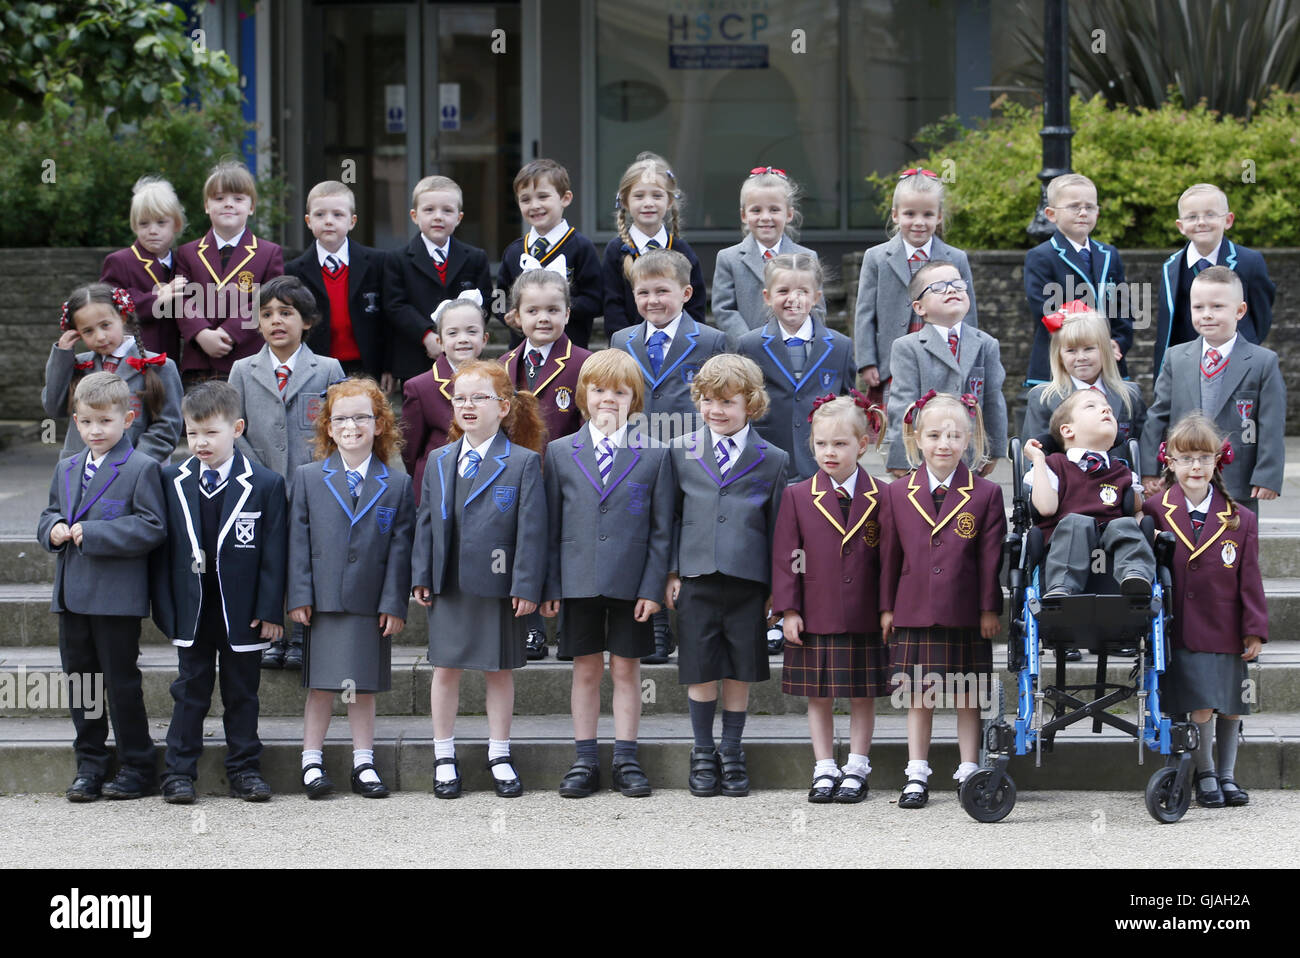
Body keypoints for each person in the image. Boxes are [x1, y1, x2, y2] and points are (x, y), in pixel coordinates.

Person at [411, 360, 548, 799]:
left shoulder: (524, 462)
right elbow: (426, 521)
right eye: (460, 397)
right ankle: (444, 753)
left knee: (499, 670)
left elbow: (532, 529)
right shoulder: (438, 460)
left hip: (499, 586)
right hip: (449, 583)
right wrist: (422, 574)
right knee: (445, 670)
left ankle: (500, 753)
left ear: (504, 406)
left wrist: (526, 584)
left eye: (479, 397)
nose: (467, 405)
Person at [541, 350, 673, 798]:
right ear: (583, 395)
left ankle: (626, 759)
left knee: (626, 670)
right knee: (584, 671)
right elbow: (550, 524)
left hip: (631, 584)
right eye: (598, 390)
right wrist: (551, 585)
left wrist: (653, 587)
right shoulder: (560, 453)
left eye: (619, 392)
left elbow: (661, 529)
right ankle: (583, 760)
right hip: (577, 582)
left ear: (634, 399)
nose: (608, 400)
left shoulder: (654, 455)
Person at [153, 382, 287, 804]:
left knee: (242, 693)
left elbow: (274, 554)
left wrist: (270, 611)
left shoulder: (265, 483)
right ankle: (178, 772)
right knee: (189, 690)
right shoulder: (171, 479)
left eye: (211, 432)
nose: (201, 442)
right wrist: (166, 610)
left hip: (242, 611)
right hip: (192, 608)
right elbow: (163, 552)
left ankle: (245, 769)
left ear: (237, 428)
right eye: (193, 433)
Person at [38, 373, 167, 802]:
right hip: (72, 596)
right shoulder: (67, 466)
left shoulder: (141, 468)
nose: (97, 431)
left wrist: (92, 534)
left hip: (116, 600)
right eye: (88, 422)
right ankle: (90, 764)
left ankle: (137, 764)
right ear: (76, 422)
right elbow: (50, 513)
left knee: (120, 683)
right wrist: (52, 529)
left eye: (106, 422)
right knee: (82, 683)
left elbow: (152, 528)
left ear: (128, 419)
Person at [666, 354, 789, 797]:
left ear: (750, 404)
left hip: (748, 582)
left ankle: (732, 751)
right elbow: (669, 519)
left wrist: (779, 588)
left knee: (739, 668)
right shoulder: (680, 451)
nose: (716, 409)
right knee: (700, 667)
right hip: (696, 576)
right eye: (707, 400)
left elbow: (778, 529)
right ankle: (702, 752)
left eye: (727, 401)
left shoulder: (772, 459)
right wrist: (671, 571)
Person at [288, 378, 415, 799]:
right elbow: (298, 540)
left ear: (379, 425)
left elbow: (400, 549)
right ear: (327, 426)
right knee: (323, 684)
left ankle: (364, 762)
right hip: (323, 600)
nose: (351, 425)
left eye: (362, 417)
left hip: (369, 601)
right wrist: (300, 595)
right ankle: (311, 760)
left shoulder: (396, 484)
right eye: (341, 418)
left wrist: (394, 602)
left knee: (361, 685)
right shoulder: (308, 477)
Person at [879, 392, 1005, 807]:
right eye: (934, 435)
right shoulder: (897, 492)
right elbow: (889, 557)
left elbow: (991, 559)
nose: (944, 444)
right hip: (914, 610)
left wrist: (989, 608)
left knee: (969, 694)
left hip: (966, 611)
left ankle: (969, 770)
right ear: (917, 438)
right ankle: (916, 774)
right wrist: (887, 607)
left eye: (954, 435)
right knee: (919, 695)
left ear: (969, 438)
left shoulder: (985, 493)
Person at [1142, 413, 1266, 808]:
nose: (1195, 467)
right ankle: (1206, 773)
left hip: (1226, 624)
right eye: (1186, 458)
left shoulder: (1240, 518)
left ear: (1218, 461)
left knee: (1230, 704)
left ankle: (1228, 775)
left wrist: (1254, 629)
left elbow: (1251, 578)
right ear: (1170, 462)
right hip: (1181, 625)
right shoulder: (1154, 510)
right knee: (1199, 703)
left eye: (1204, 458)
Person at [610, 248, 727, 664]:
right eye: (643, 293)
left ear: (686, 292)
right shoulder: (621, 340)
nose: (653, 301)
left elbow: (717, 395)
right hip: (639, 451)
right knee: (646, 529)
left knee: (686, 527)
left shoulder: (712, 340)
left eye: (663, 291)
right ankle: (655, 626)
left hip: (691, 449)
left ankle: (690, 622)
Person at [771, 394, 889, 804]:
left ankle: (857, 766)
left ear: (862, 444)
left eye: (840, 443)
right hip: (815, 613)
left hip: (865, 614)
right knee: (818, 694)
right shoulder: (798, 496)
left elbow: (891, 559)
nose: (830, 452)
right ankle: (823, 766)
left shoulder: (883, 495)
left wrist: (888, 607)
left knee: (862, 693)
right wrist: (788, 609)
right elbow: (786, 558)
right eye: (821, 444)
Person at [229, 275, 345, 669]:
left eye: (286, 312)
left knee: (305, 557)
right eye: (267, 314)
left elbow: (338, 427)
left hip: (312, 484)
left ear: (307, 321)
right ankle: (272, 631)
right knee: (268, 556)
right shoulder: (242, 370)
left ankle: (301, 635)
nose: (276, 321)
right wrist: (258, 474)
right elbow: (234, 426)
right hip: (258, 483)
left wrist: (320, 472)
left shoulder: (328, 369)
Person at [501, 268, 592, 659]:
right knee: (525, 550)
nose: (543, 318)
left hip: (569, 477)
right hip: (519, 477)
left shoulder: (586, 364)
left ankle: (572, 628)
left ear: (568, 313)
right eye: (533, 310)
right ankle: (531, 627)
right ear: (516, 317)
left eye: (553, 309)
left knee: (568, 548)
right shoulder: (503, 367)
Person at [1141, 266, 1285, 513]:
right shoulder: (1176, 357)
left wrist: (1267, 475)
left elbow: (1271, 423)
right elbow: (1158, 415)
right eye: (1199, 307)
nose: (1207, 314)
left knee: (1235, 541)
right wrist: (1148, 470)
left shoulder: (1263, 362)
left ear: (1239, 311)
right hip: (1184, 475)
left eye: (1217, 307)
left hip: (1239, 479)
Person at [854, 168, 977, 415]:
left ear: (939, 216)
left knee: (942, 417)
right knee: (900, 421)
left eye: (928, 214)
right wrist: (867, 361)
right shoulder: (877, 258)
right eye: (910, 214)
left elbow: (968, 312)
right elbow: (864, 313)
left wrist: (971, 358)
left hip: (945, 357)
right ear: (896, 215)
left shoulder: (956, 258)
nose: (919, 222)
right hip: (893, 361)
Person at [1024, 388, 1155, 597]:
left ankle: (1136, 575)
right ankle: (1061, 587)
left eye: (1109, 410)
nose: (1105, 410)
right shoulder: (1054, 466)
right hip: (1065, 547)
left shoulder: (1122, 472)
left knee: (1125, 524)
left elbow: (1137, 510)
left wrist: (1147, 527)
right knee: (1077, 522)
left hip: (1112, 553)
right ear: (1067, 430)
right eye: (1091, 406)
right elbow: (1047, 508)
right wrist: (1038, 460)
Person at [738, 252, 856, 483]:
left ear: (816, 297)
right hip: (766, 461)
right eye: (783, 291)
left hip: (821, 464)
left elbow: (848, 405)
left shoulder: (840, 346)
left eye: (803, 291)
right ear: (767, 297)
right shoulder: (749, 345)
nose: (794, 298)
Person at [884, 260, 1006, 477]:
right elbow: (902, 405)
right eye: (938, 287)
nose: (951, 289)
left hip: (969, 456)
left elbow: (993, 401)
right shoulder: (907, 347)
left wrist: (994, 451)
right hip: (924, 459)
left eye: (958, 284)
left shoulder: (986, 344)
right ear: (919, 307)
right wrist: (901, 457)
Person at [43, 283, 182, 463]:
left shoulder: (159, 366)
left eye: (105, 325)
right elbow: (54, 408)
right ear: (77, 333)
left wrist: (135, 463)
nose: (100, 336)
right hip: (81, 470)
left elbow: (167, 426)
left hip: (135, 472)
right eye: (88, 331)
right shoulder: (77, 365)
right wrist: (62, 356)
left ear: (123, 317)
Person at [173, 160, 285, 384]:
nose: (228, 204)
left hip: (248, 359)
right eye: (219, 198)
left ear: (251, 207)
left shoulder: (269, 252)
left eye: (238, 198)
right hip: (199, 361)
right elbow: (180, 298)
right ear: (206, 206)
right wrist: (201, 333)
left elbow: (268, 300)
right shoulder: (187, 253)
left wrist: (230, 332)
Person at [1153, 183, 1275, 378]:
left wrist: (1245, 351)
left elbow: (1262, 318)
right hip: (1186, 368)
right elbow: (1167, 325)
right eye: (1192, 217)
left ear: (1228, 220)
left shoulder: (1250, 261)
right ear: (1181, 226)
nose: (1201, 222)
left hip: (1235, 367)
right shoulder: (1171, 266)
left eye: (1210, 214)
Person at [384, 174, 492, 385]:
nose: (438, 217)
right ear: (414, 216)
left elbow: (485, 302)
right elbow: (395, 305)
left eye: (447, 210)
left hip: (463, 356)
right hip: (415, 357)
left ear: (459, 217)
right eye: (429, 210)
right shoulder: (397, 259)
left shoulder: (475, 258)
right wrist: (427, 336)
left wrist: (461, 334)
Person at [1023, 172, 1129, 385]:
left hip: (1107, 361)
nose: (1083, 212)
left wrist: (1118, 341)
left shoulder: (1110, 253)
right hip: (1061, 363)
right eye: (1074, 207)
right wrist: (1085, 342)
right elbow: (1045, 309)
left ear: (1097, 212)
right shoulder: (1041, 256)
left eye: (1090, 207)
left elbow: (1123, 306)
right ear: (1051, 214)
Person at [284, 180, 390, 385]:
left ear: (352, 221)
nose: (329, 221)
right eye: (320, 214)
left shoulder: (378, 263)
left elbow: (388, 319)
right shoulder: (293, 271)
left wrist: (388, 366)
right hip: (314, 365)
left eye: (338, 214)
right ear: (308, 221)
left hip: (366, 365)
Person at [495, 159, 602, 349]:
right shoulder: (513, 252)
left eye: (543, 197)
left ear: (565, 198)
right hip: (522, 351)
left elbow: (595, 300)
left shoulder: (581, 248)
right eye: (526, 199)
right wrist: (509, 315)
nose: (534, 205)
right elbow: (498, 298)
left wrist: (555, 308)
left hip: (569, 351)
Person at [712, 166, 823, 348]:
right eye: (756, 210)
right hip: (746, 354)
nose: (765, 217)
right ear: (743, 215)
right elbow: (724, 310)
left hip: (795, 349)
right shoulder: (728, 258)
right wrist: (749, 343)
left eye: (774, 210)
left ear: (789, 214)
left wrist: (794, 337)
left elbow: (817, 308)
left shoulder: (807, 258)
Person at [601, 151, 706, 337]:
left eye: (657, 196)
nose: (648, 203)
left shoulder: (683, 251)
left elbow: (695, 307)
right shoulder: (615, 251)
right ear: (625, 201)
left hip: (678, 348)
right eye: (639, 196)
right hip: (629, 352)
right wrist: (626, 346)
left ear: (669, 201)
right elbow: (612, 307)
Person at [1021, 304, 1146, 457]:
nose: (1081, 357)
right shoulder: (1043, 398)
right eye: (1071, 350)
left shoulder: (1130, 394)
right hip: (1065, 479)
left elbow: (1143, 444)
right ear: (1059, 356)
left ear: (1105, 350)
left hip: (1122, 479)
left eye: (1089, 349)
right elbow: (1034, 452)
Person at [400, 294, 489, 504]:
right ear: (439, 341)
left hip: (485, 482)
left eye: (472, 331)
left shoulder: (498, 381)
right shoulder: (420, 387)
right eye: (453, 333)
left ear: (485, 339)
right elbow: (410, 450)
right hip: (438, 485)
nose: (463, 339)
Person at [99, 174, 188, 359]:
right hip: (131, 361)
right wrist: (158, 297)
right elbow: (110, 307)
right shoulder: (119, 261)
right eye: (144, 223)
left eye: (161, 222)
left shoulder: (184, 262)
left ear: (176, 225)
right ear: (135, 226)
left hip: (173, 360)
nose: (152, 230)